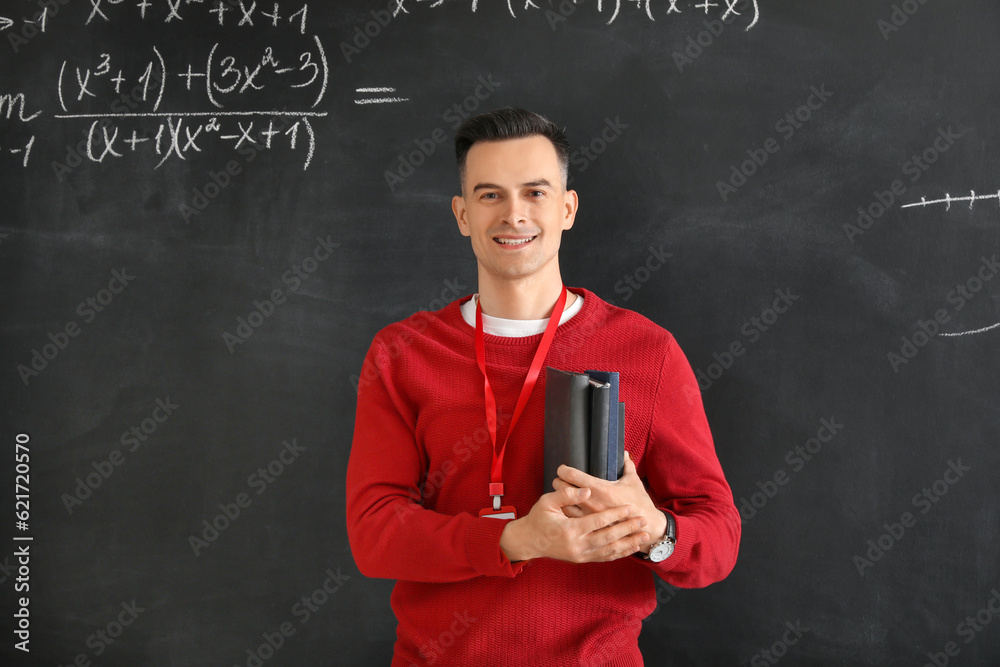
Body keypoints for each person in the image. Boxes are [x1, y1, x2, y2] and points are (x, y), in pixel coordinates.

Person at [346, 107, 740, 667]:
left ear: (567, 208)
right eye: (489, 196)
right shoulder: (401, 354)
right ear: (461, 214)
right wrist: (516, 540)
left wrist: (652, 530)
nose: (514, 215)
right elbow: (374, 532)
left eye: (535, 192)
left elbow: (718, 537)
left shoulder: (648, 352)